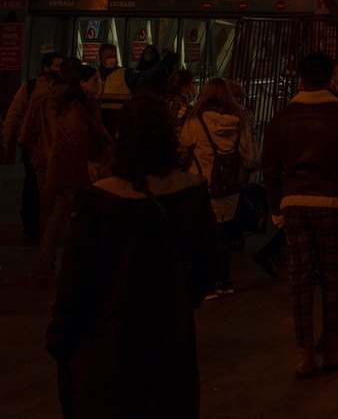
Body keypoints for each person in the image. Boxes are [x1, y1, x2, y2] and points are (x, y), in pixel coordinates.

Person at [46, 96, 218, 418]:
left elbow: (74, 282)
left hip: (108, 337)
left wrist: (61, 338)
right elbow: (208, 265)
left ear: (122, 139)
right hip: (169, 334)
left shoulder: (99, 201)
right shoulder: (192, 193)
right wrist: (183, 297)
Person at [261, 52, 338, 378]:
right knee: (333, 277)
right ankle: (334, 344)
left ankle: (305, 353)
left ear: (300, 79)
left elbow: (270, 168)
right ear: (330, 80)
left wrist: (276, 206)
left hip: (294, 203)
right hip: (332, 203)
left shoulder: (283, 117)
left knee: (300, 278)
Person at [180, 76, 256, 296]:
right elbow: (247, 153)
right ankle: (226, 279)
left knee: (208, 234)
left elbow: (183, 146)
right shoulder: (238, 121)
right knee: (223, 230)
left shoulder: (195, 122)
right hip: (230, 185)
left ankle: (212, 281)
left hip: (203, 183)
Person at [35, 63, 110, 279]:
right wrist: (90, 161)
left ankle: (45, 265)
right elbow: (77, 139)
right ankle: (69, 265)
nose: (99, 83)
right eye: (95, 80)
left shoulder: (77, 105)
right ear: (83, 83)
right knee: (81, 218)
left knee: (59, 219)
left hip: (69, 169)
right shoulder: (77, 108)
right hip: (74, 170)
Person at [3, 50, 62, 242]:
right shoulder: (31, 87)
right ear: (46, 68)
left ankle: (43, 226)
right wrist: (6, 139)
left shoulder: (63, 87)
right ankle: (31, 226)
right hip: (33, 143)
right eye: (56, 65)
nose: (59, 70)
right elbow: (14, 113)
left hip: (53, 143)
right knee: (31, 186)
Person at [96, 44, 130, 131]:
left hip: (119, 121)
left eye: (114, 56)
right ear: (101, 58)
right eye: (109, 56)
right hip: (99, 122)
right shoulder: (95, 75)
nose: (113, 59)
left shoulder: (125, 73)